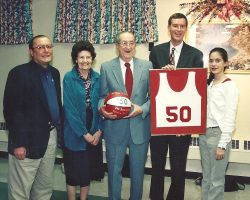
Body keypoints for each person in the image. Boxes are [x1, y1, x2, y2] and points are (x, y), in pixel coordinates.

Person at [149, 13, 204, 200]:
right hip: (160, 122)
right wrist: (161, 74)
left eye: (182, 26)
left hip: (181, 124)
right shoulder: (156, 52)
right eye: (175, 25)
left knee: (178, 169)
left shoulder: (196, 55)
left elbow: (197, 91)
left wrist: (187, 125)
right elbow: (151, 85)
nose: (178, 29)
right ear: (169, 27)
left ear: (185, 29)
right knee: (156, 166)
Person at [3, 35, 63, 200]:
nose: (46, 50)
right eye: (40, 47)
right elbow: (12, 111)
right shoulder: (19, 73)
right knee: (20, 191)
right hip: (27, 141)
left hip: (50, 136)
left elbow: (55, 105)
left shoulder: (54, 73)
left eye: (48, 46)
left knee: (44, 188)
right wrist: (18, 143)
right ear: (31, 52)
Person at [99, 31, 152, 200]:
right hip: (115, 127)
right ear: (117, 46)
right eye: (124, 43)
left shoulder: (147, 65)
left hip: (140, 127)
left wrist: (142, 109)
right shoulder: (107, 67)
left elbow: (153, 97)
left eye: (131, 43)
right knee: (114, 172)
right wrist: (102, 110)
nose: (128, 47)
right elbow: (102, 96)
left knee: (138, 173)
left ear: (135, 45)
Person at [63, 41, 104, 200]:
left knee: (87, 171)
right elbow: (70, 109)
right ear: (75, 59)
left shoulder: (98, 78)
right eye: (81, 57)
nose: (85, 60)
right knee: (73, 171)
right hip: (75, 130)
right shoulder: (69, 77)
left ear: (92, 59)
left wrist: (99, 130)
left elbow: (103, 104)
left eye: (88, 57)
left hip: (94, 126)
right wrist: (84, 133)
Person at [199, 47, 239, 200]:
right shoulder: (208, 84)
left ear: (225, 63)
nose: (214, 64)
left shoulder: (229, 86)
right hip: (204, 135)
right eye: (211, 60)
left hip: (218, 136)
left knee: (216, 181)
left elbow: (230, 117)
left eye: (218, 60)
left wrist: (222, 145)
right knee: (206, 178)